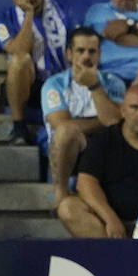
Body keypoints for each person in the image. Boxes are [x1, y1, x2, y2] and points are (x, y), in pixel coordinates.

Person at [57, 85, 138, 238]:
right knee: (68, 208)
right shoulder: (103, 139)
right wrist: (110, 218)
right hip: (110, 225)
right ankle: (111, 257)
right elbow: (85, 183)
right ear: (122, 110)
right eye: (135, 107)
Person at [42, 29, 128, 204]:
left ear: (99, 54)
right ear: (69, 54)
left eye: (92, 51)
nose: (86, 56)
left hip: (106, 148)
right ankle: (61, 191)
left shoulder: (113, 82)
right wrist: (100, 121)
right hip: (68, 149)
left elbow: (114, 123)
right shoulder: (54, 84)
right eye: (80, 51)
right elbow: (63, 126)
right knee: (66, 132)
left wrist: (94, 85)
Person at [0, 0, 71, 144]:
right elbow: (20, 50)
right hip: (29, 86)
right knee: (19, 60)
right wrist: (28, 14)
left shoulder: (63, 12)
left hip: (60, 80)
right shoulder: (4, 18)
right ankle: (19, 128)